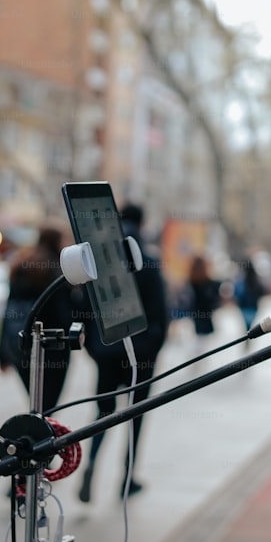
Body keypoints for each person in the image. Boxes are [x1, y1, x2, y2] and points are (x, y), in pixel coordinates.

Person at [78, 203, 169, 502]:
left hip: (106, 352)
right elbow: (161, 314)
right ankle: (127, 479)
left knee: (102, 412)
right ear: (142, 224)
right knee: (135, 416)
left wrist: (94, 347)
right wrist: (152, 350)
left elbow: (87, 307)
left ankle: (90, 464)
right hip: (140, 356)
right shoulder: (150, 262)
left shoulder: (102, 261)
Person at [0, 225, 81, 413]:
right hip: (53, 350)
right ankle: (42, 440)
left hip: (21, 347)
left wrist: (1, 353)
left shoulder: (21, 265)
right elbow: (65, 315)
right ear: (57, 242)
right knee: (48, 409)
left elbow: (9, 312)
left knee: (36, 404)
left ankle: (37, 436)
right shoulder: (57, 271)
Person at [184, 255, 221, 339]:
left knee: (200, 339)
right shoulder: (208, 282)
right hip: (206, 314)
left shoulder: (191, 281)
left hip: (197, 315)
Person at [233, 259, 267, 332]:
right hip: (252, 307)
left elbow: (237, 293)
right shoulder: (256, 279)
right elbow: (262, 291)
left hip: (245, 307)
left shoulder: (241, 280)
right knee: (250, 325)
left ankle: (248, 334)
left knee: (247, 325)